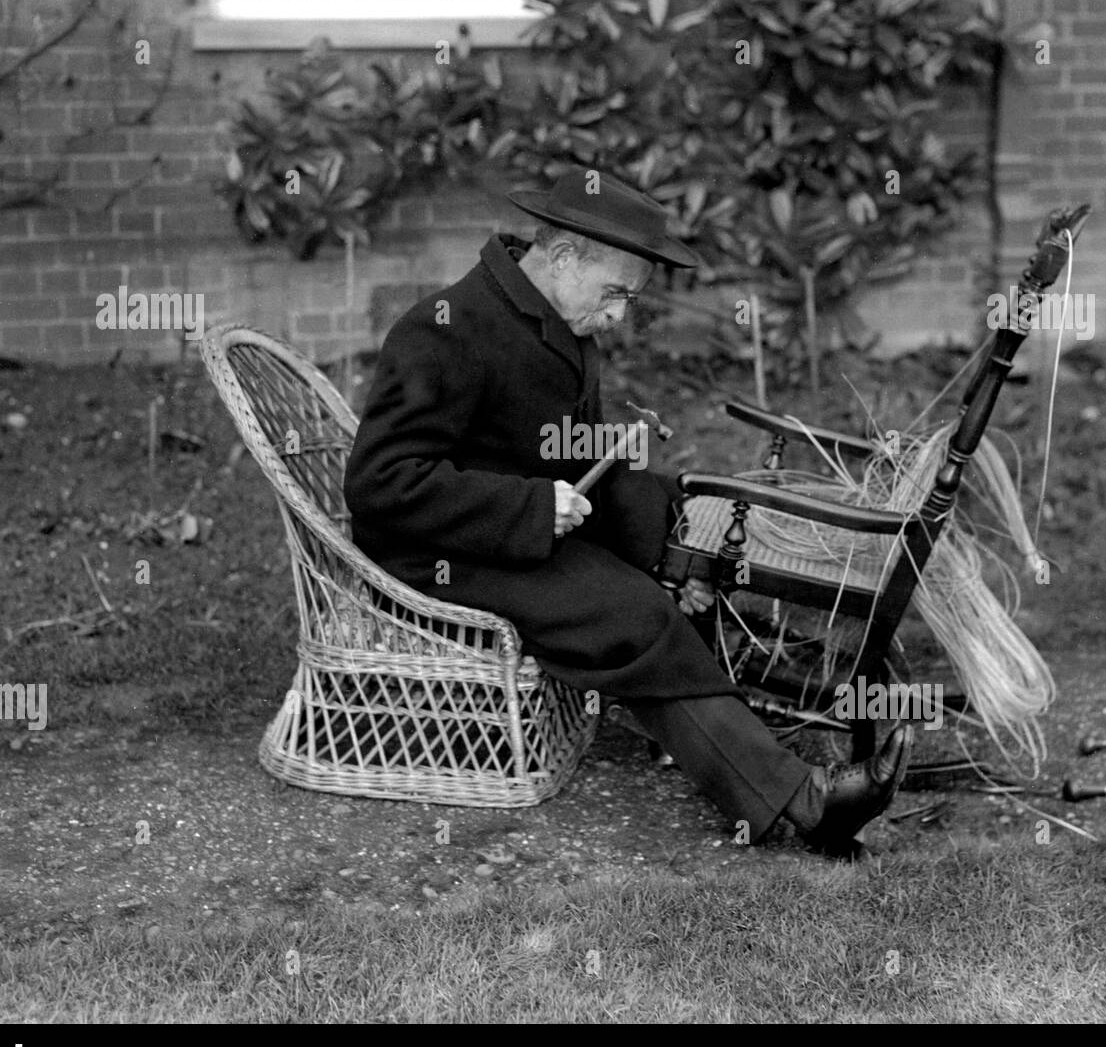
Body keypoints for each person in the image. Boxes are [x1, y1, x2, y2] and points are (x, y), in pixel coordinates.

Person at [343, 168, 911, 853]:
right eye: (615, 294)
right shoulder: (446, 328)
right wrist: (527, 507)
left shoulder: (557, 321)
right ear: (562, 257)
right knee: (631, 616)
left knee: (679, 538)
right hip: (435, 551)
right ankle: (808, 803)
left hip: (520, 530)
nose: (619, 317)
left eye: (630, 299)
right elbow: (380, 483)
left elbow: (581, 456)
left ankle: (735, 726)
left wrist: (672, 550)